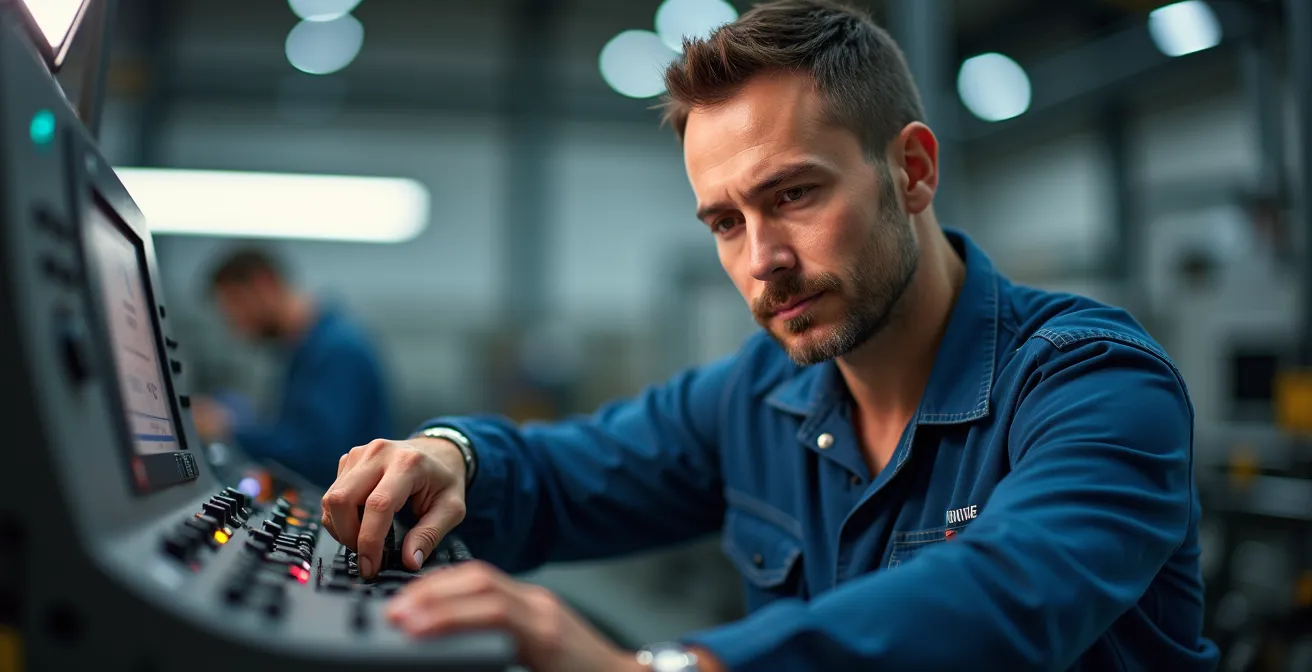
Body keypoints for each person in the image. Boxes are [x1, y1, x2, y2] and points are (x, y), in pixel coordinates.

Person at [320, 1, 1220, 670]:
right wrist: (449, 454)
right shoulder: (758, 395)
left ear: (911, 171)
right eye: (724, 222)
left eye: (793, 195)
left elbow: (1006, 594)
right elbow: (566, 471)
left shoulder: (1093, 382)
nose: (763, 260)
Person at [190, 246, 393, 490]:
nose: (236, 325)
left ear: (264, 285)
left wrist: (225, 429)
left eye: (235, 305)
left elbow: (319, 454)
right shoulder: (304, 349)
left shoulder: (337, 350)